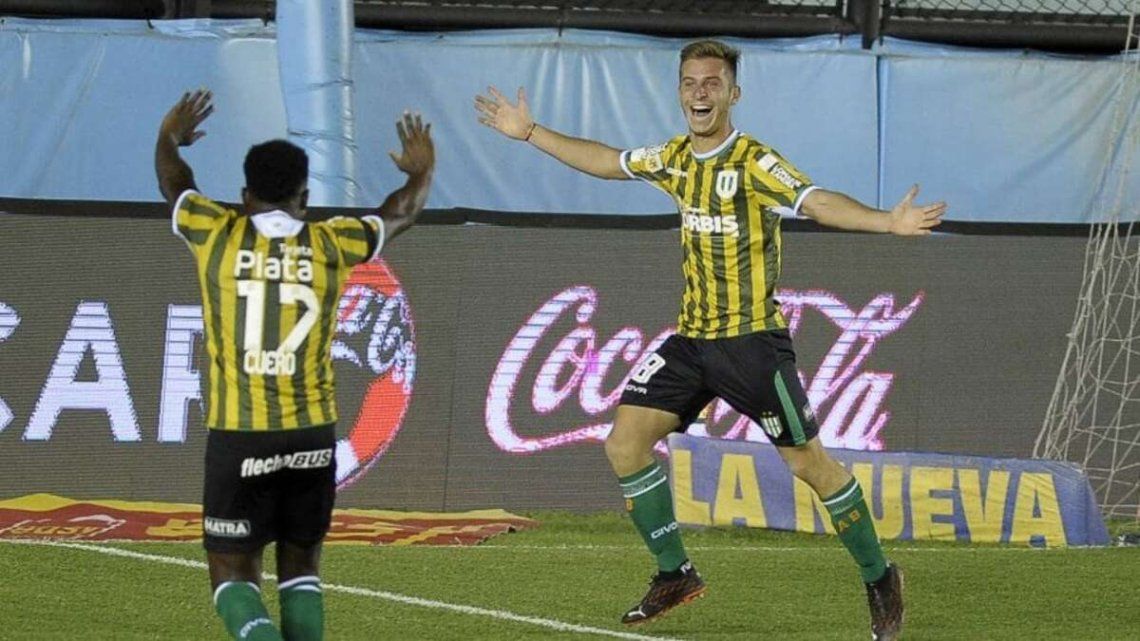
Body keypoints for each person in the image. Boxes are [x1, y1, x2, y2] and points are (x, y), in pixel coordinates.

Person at [475, 40, 944, 640]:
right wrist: (530, 132)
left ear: (732, 94)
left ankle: (880, 576)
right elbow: (608, 160)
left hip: (751, 344)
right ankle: (675, 573)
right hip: (692, 343)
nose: (700, 92)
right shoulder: (673, 159)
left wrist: (886, 221)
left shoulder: (754, 162)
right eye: (690, 83)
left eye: (712, 83)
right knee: (625, 444)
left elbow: (817, 202)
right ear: (680, 93)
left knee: (808, 463)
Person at [155, 89, 434, 641]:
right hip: (312, 435)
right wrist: (422, 171)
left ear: (244, 196)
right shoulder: (333, 241)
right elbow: (400, 212)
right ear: (304, 198)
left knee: (231, 572)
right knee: (301, 568)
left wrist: (168, 136)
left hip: (240, 434)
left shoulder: (214, 231)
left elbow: (175, 184)